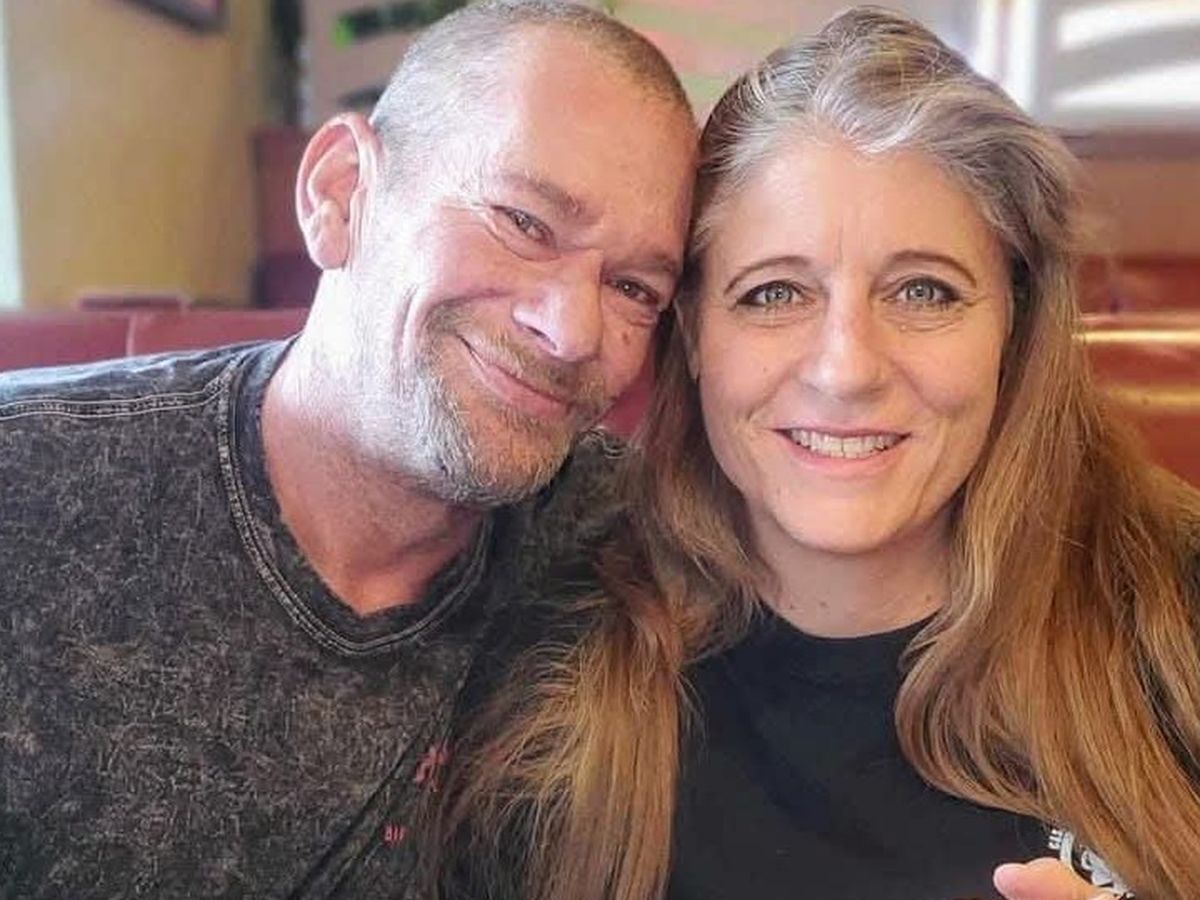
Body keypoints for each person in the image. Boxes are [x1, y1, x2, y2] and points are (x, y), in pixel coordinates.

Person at [437, 8, 1200, 900]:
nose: (846, 370)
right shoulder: (549, 670)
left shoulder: (1176, 611)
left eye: (924, 291)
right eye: (773, 294)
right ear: (693, 332)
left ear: (1014, 325)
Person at [0, 2, 695, 897]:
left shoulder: (626, 542)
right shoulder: (29, 495)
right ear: (338, 193)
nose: (570, 331)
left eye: (634, 287)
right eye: (523, 222)